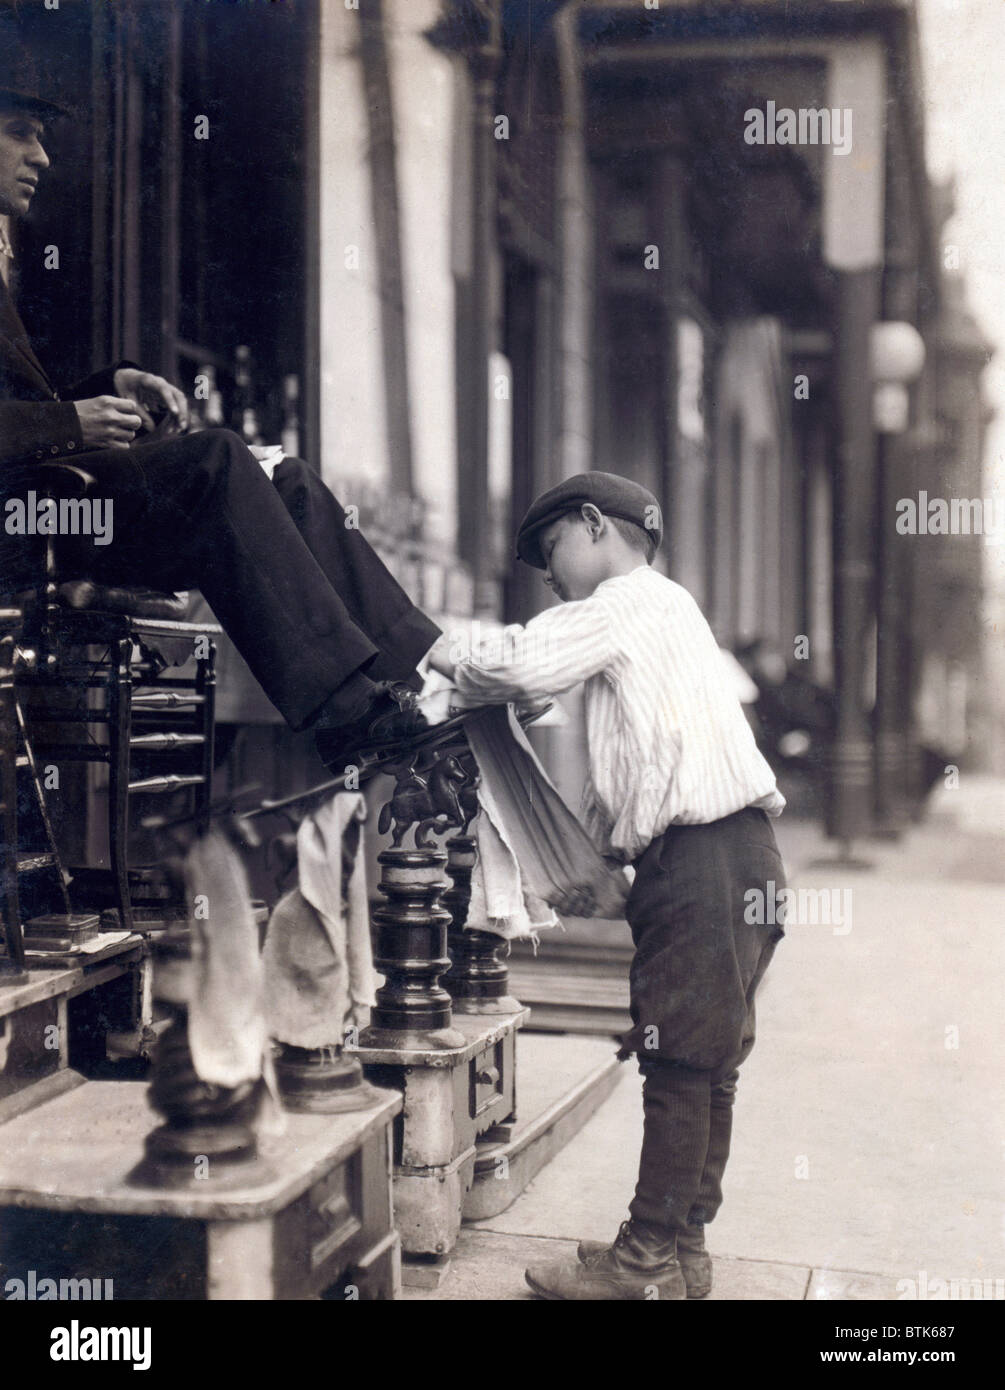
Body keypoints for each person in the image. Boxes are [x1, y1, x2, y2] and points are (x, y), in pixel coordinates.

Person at [0, 58, 436, 772]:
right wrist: (70, 426)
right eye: (20, 134)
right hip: (25, 527)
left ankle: (412, 680)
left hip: (53, 515)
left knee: (283, 477)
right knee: (217, 461)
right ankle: (349, 715)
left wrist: (111, 385)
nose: (42, 156)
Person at [427, 471, 788, 1301]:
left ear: (594, 525)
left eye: (550, 550)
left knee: (679, 1068)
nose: (547, 575)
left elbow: (521, 663)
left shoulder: (627, 602)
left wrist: (433, 646)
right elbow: (615, 754)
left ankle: (643, 1263)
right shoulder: (665, 616)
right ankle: (680, 1253)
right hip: (733, 859)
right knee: (706, 1064)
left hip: (704, 859)